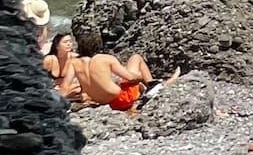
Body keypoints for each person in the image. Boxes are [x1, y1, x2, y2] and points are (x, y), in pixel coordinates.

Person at [44, 33, 177, 111]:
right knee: (135, 59)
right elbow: (130, 77)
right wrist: (139, 77)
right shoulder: (105, 59)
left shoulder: (74, 63)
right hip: (120, 100)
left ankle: (150, 85)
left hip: (102, 101)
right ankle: (155, 85)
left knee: (122, 81)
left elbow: (64, 89)